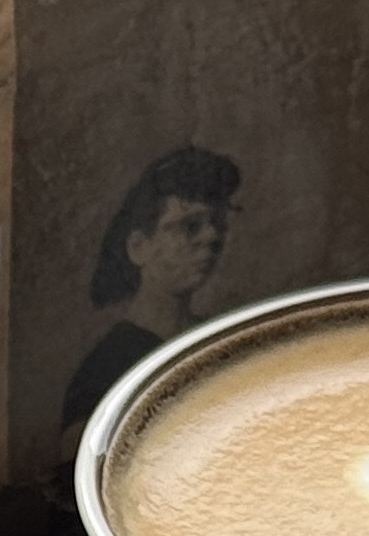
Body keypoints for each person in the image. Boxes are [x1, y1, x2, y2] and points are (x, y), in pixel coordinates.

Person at [57, 144, 239, 453]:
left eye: (216, 224)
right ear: (139, 247)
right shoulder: (108, 368)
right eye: (189, 227)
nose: (211, 238)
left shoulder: (214, 339)